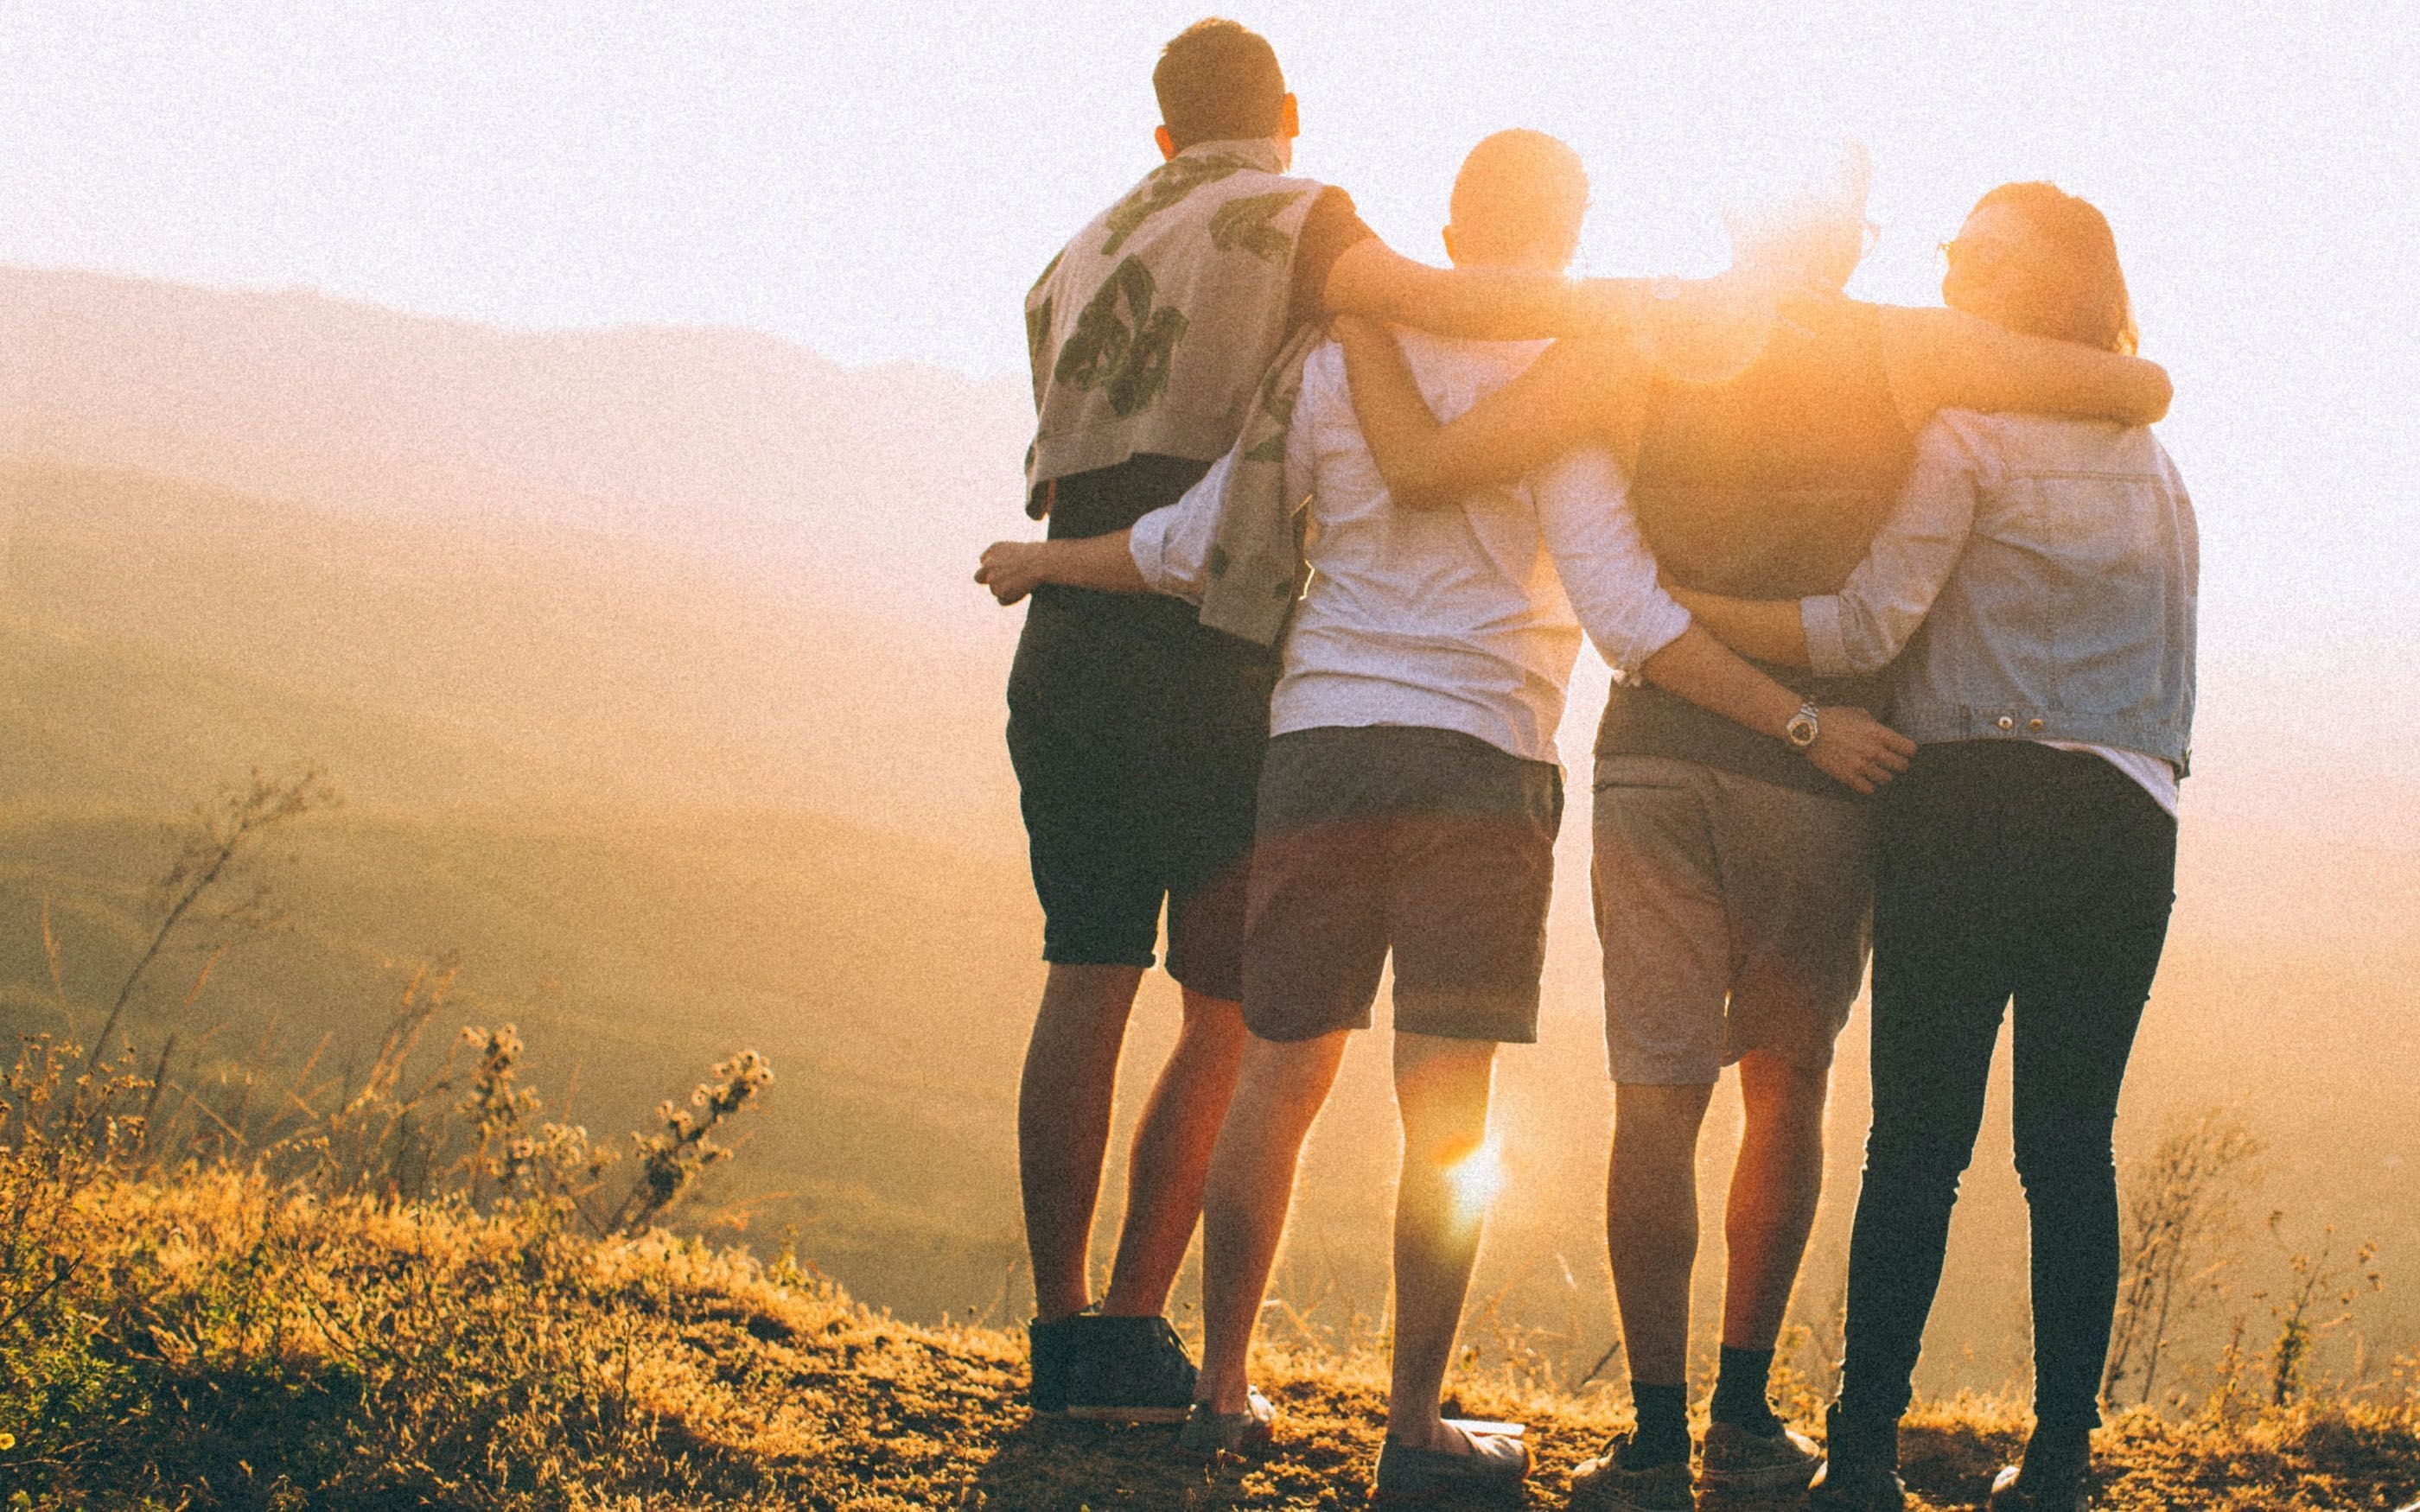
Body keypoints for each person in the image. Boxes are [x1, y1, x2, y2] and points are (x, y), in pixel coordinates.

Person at [983, 130, 1914, 1498]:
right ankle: (1414, 1424)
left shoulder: (1325, 362)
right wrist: (1798, 721)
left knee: (1279, 1076)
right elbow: (1628, 615)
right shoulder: (1575, 383)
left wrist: (1041, 558)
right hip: (1483, 758)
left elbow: (1199, 547)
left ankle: (1223, 1389)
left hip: (1318, 749)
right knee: (1448, 1112)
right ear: (1573, 227)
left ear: (1452, 222)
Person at [1331, 143, 2176, 1511]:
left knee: (1652, 1102)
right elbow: (2131, 385)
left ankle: (1655, 1441)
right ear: (1850, 236)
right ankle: (1747, 1418)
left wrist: (1360, 310)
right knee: (1789, 1090)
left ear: (1730, 209)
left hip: (1658, 761)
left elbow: (1433, 462)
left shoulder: (1635, 335)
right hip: (1827, 773)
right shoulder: (1905, 350)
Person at [1008, 18, 1697, 1423]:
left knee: (1086, 977)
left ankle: (1069, 1331)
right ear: (1290, 111)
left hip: (1079, 632)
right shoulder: (1301, 217)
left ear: (1161, 133)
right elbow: (1443, 305)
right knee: (1229, 1012)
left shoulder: (1074, 251)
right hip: (1218, 641)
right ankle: (1157, 1332)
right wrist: (1663, 307)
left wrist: (1044, 560)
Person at [1670, 182, 2195, 1512]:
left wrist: (1688, 608)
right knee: (2071, 1146)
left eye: (1981, 256)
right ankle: (2063, 1459)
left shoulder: (1966, 436)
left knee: (1915, 1142)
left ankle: (1859, 1457)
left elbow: (1860, 632)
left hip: (1964, 805)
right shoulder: (2161, 469)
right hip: (2128, 822)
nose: (1953, 269)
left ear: (2048, 289)